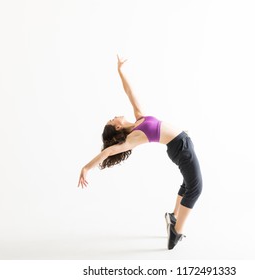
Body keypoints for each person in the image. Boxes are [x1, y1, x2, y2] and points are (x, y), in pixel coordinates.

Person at [78, 55, 203, 250]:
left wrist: (120, 71)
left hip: (181, 145)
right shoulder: (133, 138)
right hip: (181, 148)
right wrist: (86, 167)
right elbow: (108, 152)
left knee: (188, 184)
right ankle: (176, 232)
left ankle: (173, 217)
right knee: (195, 189)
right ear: (117, 128)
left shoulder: (139, 118)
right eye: (112, 120)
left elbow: (129, 92)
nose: (113, 117)